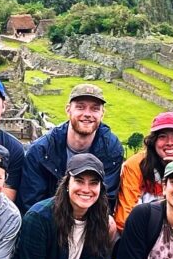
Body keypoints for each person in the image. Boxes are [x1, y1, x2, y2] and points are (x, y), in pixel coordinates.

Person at [17, 83, 124, 213]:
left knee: (110, 225)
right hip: (48, 219)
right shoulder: (41, 150)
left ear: (102, 113)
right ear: (68, 109)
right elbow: (31, 202)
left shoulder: (111, 149)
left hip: (90, 220)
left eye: (95, 109)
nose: (87, 114)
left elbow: (107, 199)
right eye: (80, 107)